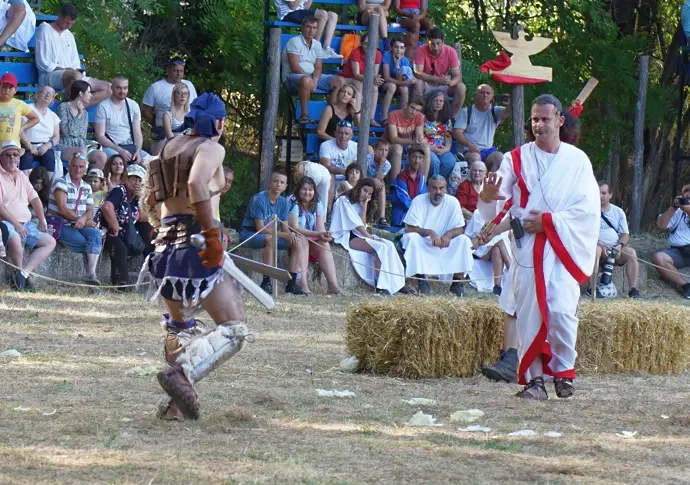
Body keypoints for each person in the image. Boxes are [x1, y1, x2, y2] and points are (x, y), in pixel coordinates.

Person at [477, 94, 599, 400]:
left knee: (560, 309)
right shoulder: (516, 158)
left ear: (559, 120)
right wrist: (488, 195)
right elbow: (494, 208)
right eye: (534, 119)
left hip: (562, 246)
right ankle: (534, 383)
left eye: (545, 119)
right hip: (527, 249)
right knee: (529, 312)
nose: (539, 125)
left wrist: (548, 221)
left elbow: (587, 209)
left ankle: (563, 373)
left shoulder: (577, 161)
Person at [137, 93, 249, 421]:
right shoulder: (212, 147)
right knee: (234, 329)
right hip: (194, 249)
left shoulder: (167, 147)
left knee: (180, 330)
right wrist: (212, 235)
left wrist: (165, 229)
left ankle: (174, 409)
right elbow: (197, 184)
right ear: (217, 122)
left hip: (164, 248)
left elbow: (153, 198)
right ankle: (182, 376)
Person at [330, 178, 405, 295]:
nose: (366, 195)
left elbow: (363, 225)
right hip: (347, 236)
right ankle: (380, 285)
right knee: (381, 247)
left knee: (389, 245)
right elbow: (357, 226)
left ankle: (398, 283)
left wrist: (364, 208)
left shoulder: (363, 203)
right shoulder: (344, 200)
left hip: (360, 234)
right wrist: (370, 237)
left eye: (370, 193)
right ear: (358, 188)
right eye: (365, 191)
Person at [401, 175, 473, 296]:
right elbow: (409, 228)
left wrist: (448, 234)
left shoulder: (453, 201)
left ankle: (457, 283)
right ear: (428, 188)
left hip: (445, 243)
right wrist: (430, 233)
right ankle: (421, 280)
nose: (438, 192)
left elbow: (460, 228)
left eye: (441, 188)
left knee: (464, 240)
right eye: (434, 188)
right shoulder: (418, 200)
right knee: (411, 238)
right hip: (424, 242)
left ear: (446, 189)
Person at [239, 170, 307, 296]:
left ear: (285, 186)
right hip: (251, 234)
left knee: (297, 243)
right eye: (275, 181)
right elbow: (260, 228)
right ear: (270, 183)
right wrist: (284, 235)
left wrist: (290, 236)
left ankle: (291, 285)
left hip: (272, 235)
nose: (278, 185)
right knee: (271, 239)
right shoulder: (258, 199)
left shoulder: (284, 202)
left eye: (282, 182)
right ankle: (266, 282)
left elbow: (284, 227)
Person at [0, 140, 56, 290]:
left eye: (15, 155)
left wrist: (42, 220)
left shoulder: (22, 176)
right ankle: (19, 279)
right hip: (5, 223)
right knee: (16, 238)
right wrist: (16, 224)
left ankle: (22, 275)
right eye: (8, 155)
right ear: (1, 158)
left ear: (19, 158)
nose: (12, 158)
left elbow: (35, 199)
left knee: (50, 242)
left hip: (26, 223)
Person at [34, 3, 111, 106]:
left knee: (109, 88)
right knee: (75, 76)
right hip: (49, 76)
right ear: (60, 15)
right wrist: (66, 70)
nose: (69, 26)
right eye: (67, 23)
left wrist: (74, 70)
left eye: (71, 24)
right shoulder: (45, 29)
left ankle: (75, 108)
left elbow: (75, 62)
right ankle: (67, 109)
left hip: (74, 76)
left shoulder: (69, 35)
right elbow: (42, 62)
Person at [49, 152, 102, 285]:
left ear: (85, 169)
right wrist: (81, 220)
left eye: (81, 167)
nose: (77, 169)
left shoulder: (86, 186)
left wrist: (83, 220)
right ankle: (91, 277)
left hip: (78, 224)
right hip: (60, 224)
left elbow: (90, 209)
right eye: (74, 166)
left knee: (96, 234)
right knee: (86, 244)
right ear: (68, 166)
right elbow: (62, 208)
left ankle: (91, 274)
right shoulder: (60, 182)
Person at [281, 16, 345, 124]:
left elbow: (318, 67)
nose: (311, 30)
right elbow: (294, 67)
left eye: (314, 28)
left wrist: (314, 80)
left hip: (311, 76)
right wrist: (310, 80)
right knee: (306, 80)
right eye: (308, 27)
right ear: (302, 28)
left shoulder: (317, 44)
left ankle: (334, 114)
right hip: (292, 77)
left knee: (340, 81)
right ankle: (304, 115)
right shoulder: (294, 42)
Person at [288, 176, 342, 295]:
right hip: (293, 240)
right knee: (302, 238)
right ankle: (303, 284)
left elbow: (320, 227)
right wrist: (318, 233)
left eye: (310, 190)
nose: (307, 192)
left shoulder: (317, 203)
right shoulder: (293, 201)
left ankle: (333, 285)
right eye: (304, 189)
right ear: (298, 190)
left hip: (311, 240)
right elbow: (294, 227)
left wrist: (324, 234)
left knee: (324, 243)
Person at [100, 164, 148, 288]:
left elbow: (143, 218)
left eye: (139, 180)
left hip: (126, 234)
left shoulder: (136, 197)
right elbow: (106, 207)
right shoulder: (119, 190)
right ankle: (121, 284)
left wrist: (141, 199)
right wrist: (114, 225)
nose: (136, 183)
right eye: (133, 179)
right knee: (120, 247)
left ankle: (153, 267)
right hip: (108, 231)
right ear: (126, 179)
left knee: (148, 229)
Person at [590, 181, 640, 299]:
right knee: (595, 251)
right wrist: (600, 245)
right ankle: (592, 289)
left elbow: (625, 234)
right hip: (597, 247)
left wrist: (619, 246)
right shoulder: (588, 211)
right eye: (598, 193)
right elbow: (583, 234)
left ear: (610, 195)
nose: (600, 196)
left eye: (604, 193)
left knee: (631, 253)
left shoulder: (618, 212)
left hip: (615, 249)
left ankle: (633, 290)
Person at [142, 57, 198, 149]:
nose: (178, 74)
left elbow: (195, 108)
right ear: (168, 70)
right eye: (175, 71)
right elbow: (145, 112)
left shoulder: (189, 85)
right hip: (162, 135)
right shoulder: (156, 88)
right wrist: (159, 124)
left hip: (187, 135)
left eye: (181, 71)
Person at [453, 84, 511, 172]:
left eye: (488, 93)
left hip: (488, 151)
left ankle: (491, 184)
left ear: (492, 97)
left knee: (500, 157)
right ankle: (475, 185)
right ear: (476, 95)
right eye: (482, 92)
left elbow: (508, 113)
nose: (485, 95)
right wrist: (469, 144)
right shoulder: (466, 112)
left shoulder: (495, 111)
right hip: (469, 150)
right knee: (476, 158)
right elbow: (457, 133)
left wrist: (511, 103)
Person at [94, 75, 149, 164]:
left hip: (130, 146)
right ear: (112, 87)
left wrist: (138, 151)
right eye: (118, 88)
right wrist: (120, 150)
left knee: (149, 162)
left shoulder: (133, 105)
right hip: (111, 147)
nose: (122, 91)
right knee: (118, 162)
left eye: (125, 88)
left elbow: (137, 133)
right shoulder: (103, 106)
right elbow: (100, 136)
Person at [412, 28, 465, 117]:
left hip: (444, 85)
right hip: (427, 84)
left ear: (443, 42)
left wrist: (450, 82)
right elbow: (417, 72)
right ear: (427, 41)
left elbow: (457, 76)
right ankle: (419, 117)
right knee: (418, 83)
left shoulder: (450, 51)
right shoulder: (421, 50)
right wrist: (437, 79)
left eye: (438, 43)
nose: (435, 47)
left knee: (461, 87)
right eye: (432, 44)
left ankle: (453, 117)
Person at [55, 81, 107, 169]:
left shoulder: (85, 113)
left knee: (101, 156)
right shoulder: (63, 107)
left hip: (81, 146)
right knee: (81, 153)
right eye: (89, 92)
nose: (91, 95)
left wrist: (81, 114)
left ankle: (93, 180)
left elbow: (82, 135)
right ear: (81, 94)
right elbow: (66, 132)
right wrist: (78, 115)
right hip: (64, 145)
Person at [651, 184, 690, 299]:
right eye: (686, 197)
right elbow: (661, 225)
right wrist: (673, 208)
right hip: (679, 251)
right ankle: (686, 286)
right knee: (658, 258)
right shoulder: (678, 212)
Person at [338, 32, 384, 127]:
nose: (368, 46)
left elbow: (374, 74)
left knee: (375, 88)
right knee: (359, 83)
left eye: (371, 43)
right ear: (361, 43)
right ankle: (357, 116)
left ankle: (371, 118)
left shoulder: (378, 54)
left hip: (364, 79)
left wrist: (376, 79)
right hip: (348, 78)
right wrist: (372, 79)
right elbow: (356, 74)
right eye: (366, 43)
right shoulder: (356, 52)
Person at [274, 0, 341, 59]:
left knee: (333, 16)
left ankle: (326, 48)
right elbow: (293, 6)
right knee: (323, 14)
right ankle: (314, 48)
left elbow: (305, 8)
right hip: (287, 14)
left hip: (299, 12)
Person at [383, 97, 430, 180]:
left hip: (407, 147)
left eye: (418, 110)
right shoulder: (394, 115)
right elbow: (393, 139)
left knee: (425, 148)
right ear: (407, 105)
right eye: (412, 107)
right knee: (398, 148)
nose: (414, 112)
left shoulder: (419, 117)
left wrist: (421, 140)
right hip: (388, 147)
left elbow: (419, 134)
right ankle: (396, 185)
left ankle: (422, 184)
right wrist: (413, 141)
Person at [19, 86, 60, 180]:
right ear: (37, 95)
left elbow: (56, 137)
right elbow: (20, 130)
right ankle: (27, 187)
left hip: (44, 146)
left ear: (53, 99)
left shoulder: (53, 116)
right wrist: (30, 146)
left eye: (51, 94)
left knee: (50, 159)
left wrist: (46, 146)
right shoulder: (28, 109)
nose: (48, 95)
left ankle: (45, 187)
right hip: (27, 144)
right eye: (45, 92)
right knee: (26, 158)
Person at [319, 120, 358, 211]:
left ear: (351, 136)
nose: (343, 136)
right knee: (330, 176)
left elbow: (356, 167)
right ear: (335, 133)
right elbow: (327, 167)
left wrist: (348, 173)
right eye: (340, 133)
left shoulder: (355, 147)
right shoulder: (326, 145)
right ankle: (328, 212)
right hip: (330, 178)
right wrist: (342, 171)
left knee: (356, 176)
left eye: (346, 133)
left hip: (348, 177)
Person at [380, 38, 418, 125]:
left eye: (401, 48)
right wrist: (403, 83)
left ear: (404, 49)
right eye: (396, 47)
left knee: (404, 89)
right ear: (391, 48)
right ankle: (384, 117)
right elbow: (386, 78)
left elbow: (400, 79)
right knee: (392, 86)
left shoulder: (405, 61)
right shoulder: (387, 55)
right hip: (385, 84)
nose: (399, 50)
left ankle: (402, 119)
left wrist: (397, 65)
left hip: (398, 83)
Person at [149, 82, 191, 155]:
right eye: (179, 93)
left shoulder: (191, 114)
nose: (183, 96)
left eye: (185, 93)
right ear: (174, 95)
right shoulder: (167, 115)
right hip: (173, 149)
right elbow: (170, 138)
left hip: (189, 147)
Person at [390, 146, 427, 226]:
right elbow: (402, 199)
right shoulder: (401, 176)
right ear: (408, 158)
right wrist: (416, 210)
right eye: (414, 157)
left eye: (420, 158)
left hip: (417, 216)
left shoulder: (422, 179)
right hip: (402, 215)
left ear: (422, 160)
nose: (417, 161)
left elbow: (422, 198)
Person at [423, 90, 455, 178]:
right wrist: (434, 149)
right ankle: (432, 183)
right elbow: (420, 137)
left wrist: (447, 149)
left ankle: (439, 183)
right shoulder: (423, 118)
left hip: (441, 148)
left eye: (441, 101)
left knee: (450, 161)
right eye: (436, 100)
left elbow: (448, 136)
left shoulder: (446, 120)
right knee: (434, 161)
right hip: (427, 147)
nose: (438, 103)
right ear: (430, 102)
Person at [0, 73, 39, 146]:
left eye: (10, 87)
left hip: (13, 147)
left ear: (15, 90)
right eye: (4, 87)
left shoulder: (19, 104)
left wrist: (22, 128)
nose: (7, 90)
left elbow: (35, 118)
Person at [366, 139, 391, 226]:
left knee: (382, 186)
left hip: (374, 183)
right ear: (375, 150)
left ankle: (382, 217)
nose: (383, 152)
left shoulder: (387, 164)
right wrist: (373, 180)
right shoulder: (368, 159)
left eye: (386, 150)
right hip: (363, 181)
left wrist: (381, 165)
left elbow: (379, 180)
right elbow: (362, 176)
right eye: (381, 149)